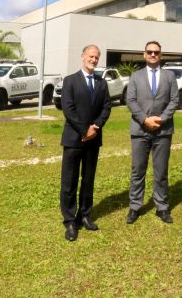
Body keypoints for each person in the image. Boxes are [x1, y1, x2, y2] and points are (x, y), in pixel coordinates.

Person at [59, 45, 112, 242]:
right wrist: (84, 130)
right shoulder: (70, 81)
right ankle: (70, 221)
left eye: (96, 57)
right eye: (91, 56)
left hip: (93, 139)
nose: (94, 60)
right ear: (83, 57)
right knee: (69, 181)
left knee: (88, 180)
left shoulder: (101, 83)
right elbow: (68, 109)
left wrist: (95, 127)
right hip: (74, 139)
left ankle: (85, 215)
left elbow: (106, 108)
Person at [125, 40, 179, 224]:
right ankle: (135, 206)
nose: (153, 54)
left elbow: (174, 101)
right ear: (144, 54)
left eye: (156, 52)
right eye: (150, 51)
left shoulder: (170, 76)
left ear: (161, 55)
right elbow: (130, 100)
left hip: (163, 131)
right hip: (140, 129)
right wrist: (145, 119)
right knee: (138, 169)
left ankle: (161, 206)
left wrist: (161, 118)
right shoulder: (135, 76)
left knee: (161, 170)